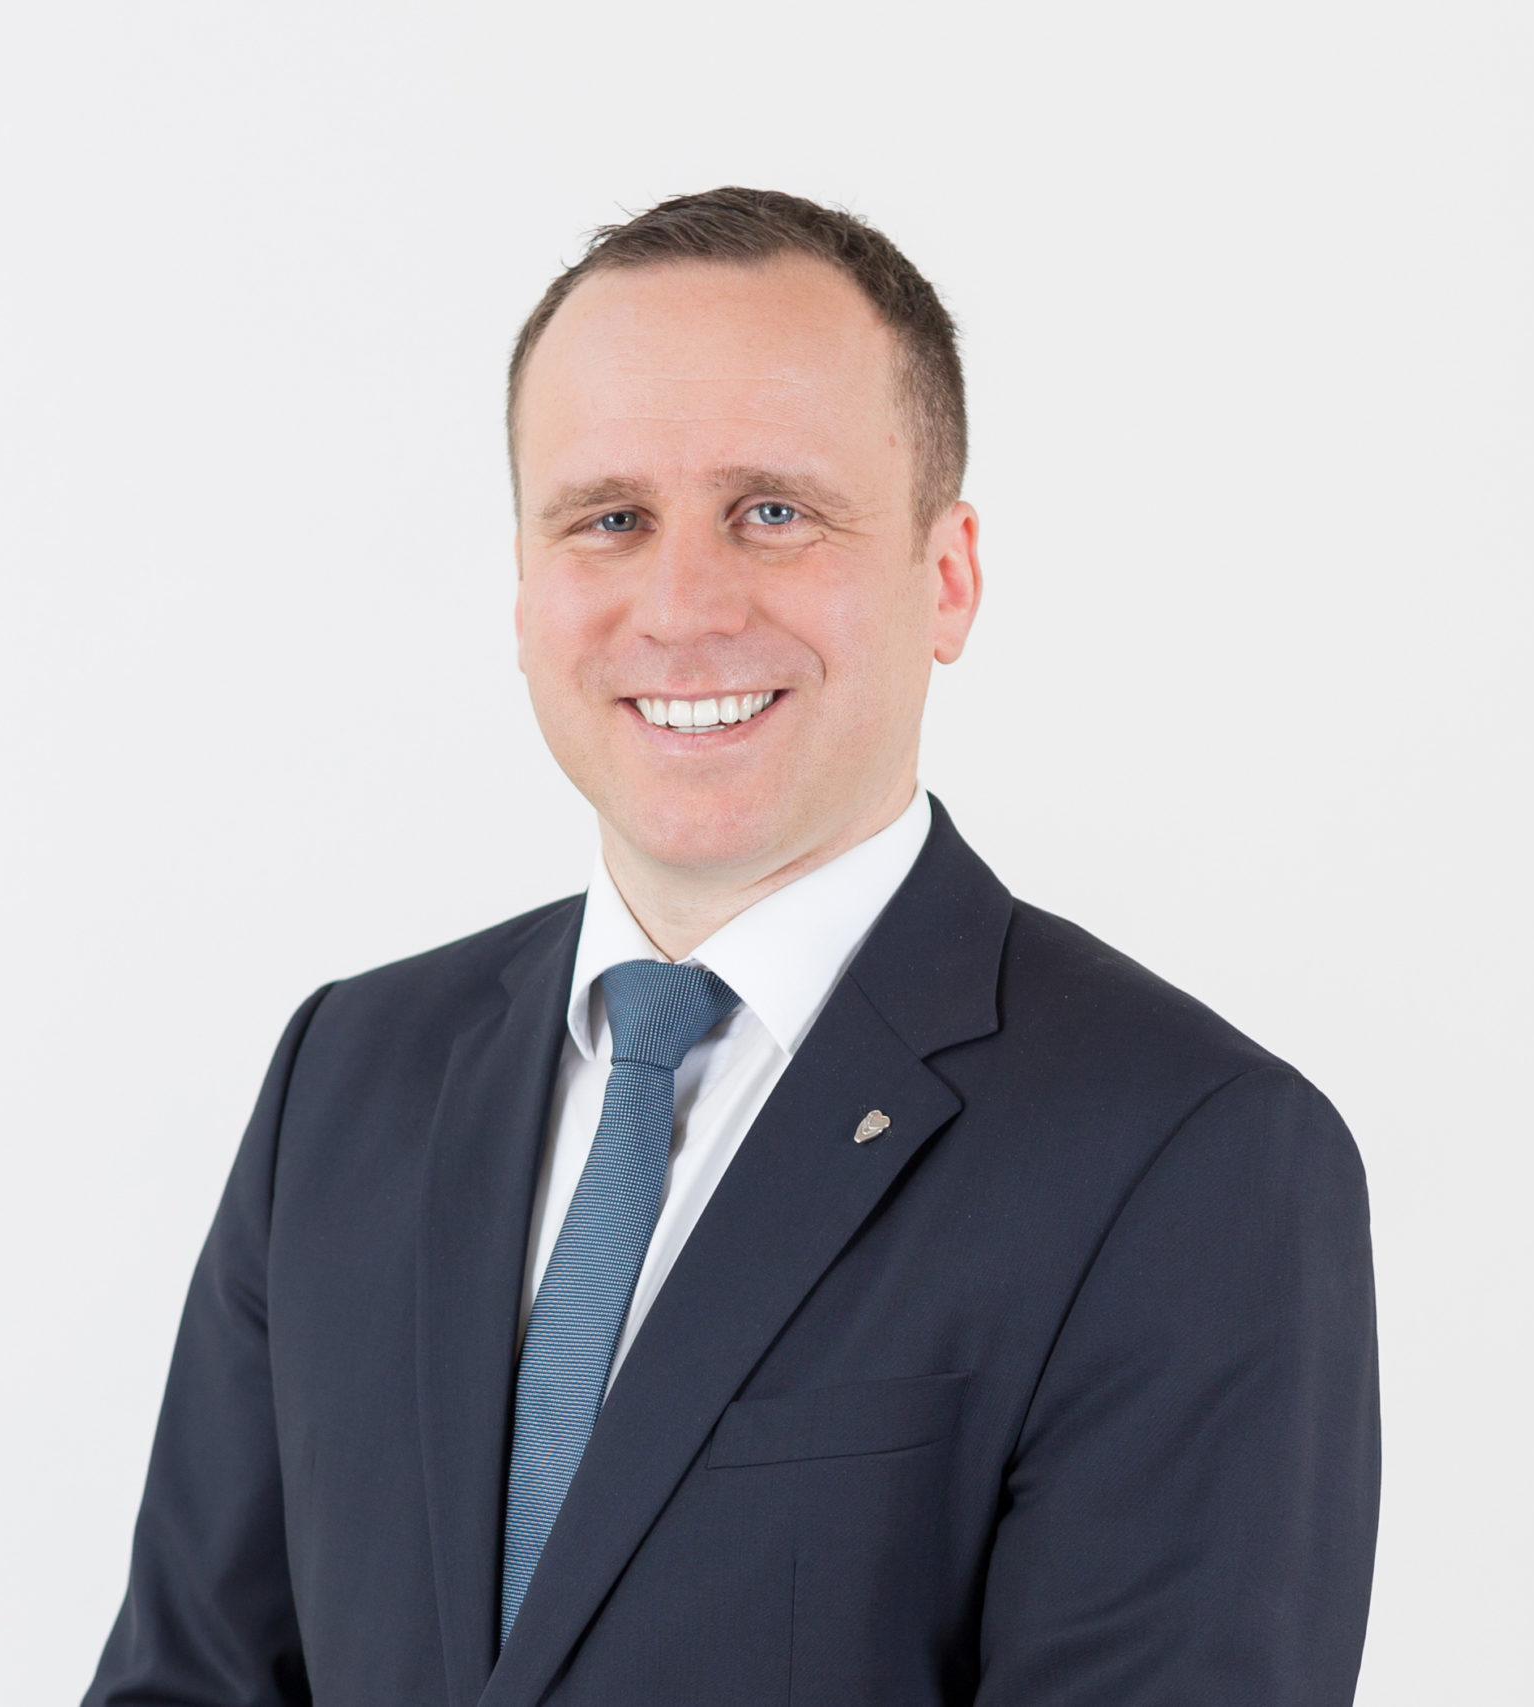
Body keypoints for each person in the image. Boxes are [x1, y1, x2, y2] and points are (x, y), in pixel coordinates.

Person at [82, 187, 1380, 1706]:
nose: (682, 607)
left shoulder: (1190, 1158)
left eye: (773, 511)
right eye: (610, 519)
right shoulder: (350, 1079)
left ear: (948, 576)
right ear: (524, 590)